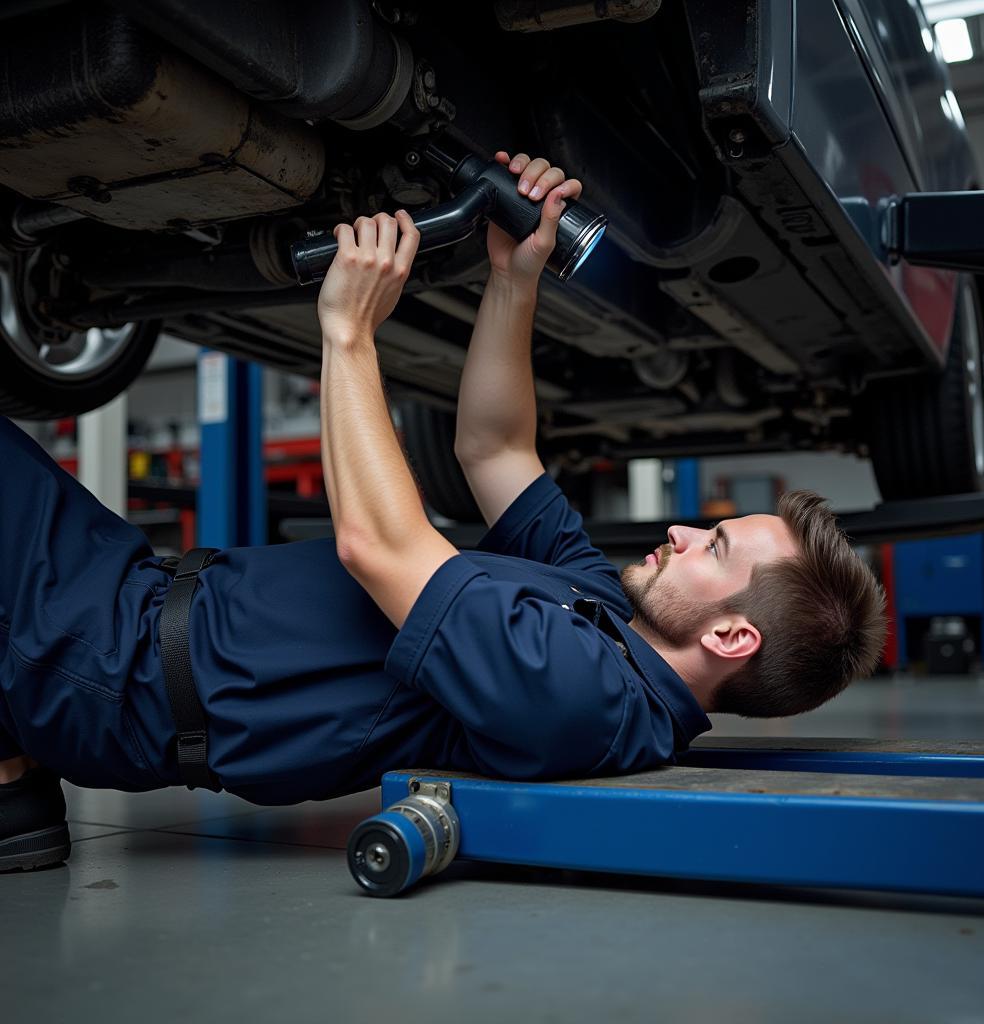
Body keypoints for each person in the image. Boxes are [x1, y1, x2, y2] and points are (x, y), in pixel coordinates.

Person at [0, 151, 887, 872]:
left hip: (113, 668)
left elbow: (379, 547)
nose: (683, 530)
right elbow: (496, 452)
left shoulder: (585, 697)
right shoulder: (611, 620)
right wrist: (516, 280)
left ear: (733, 637)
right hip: (132, 605)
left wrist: (347, 334)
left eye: (715, 545)